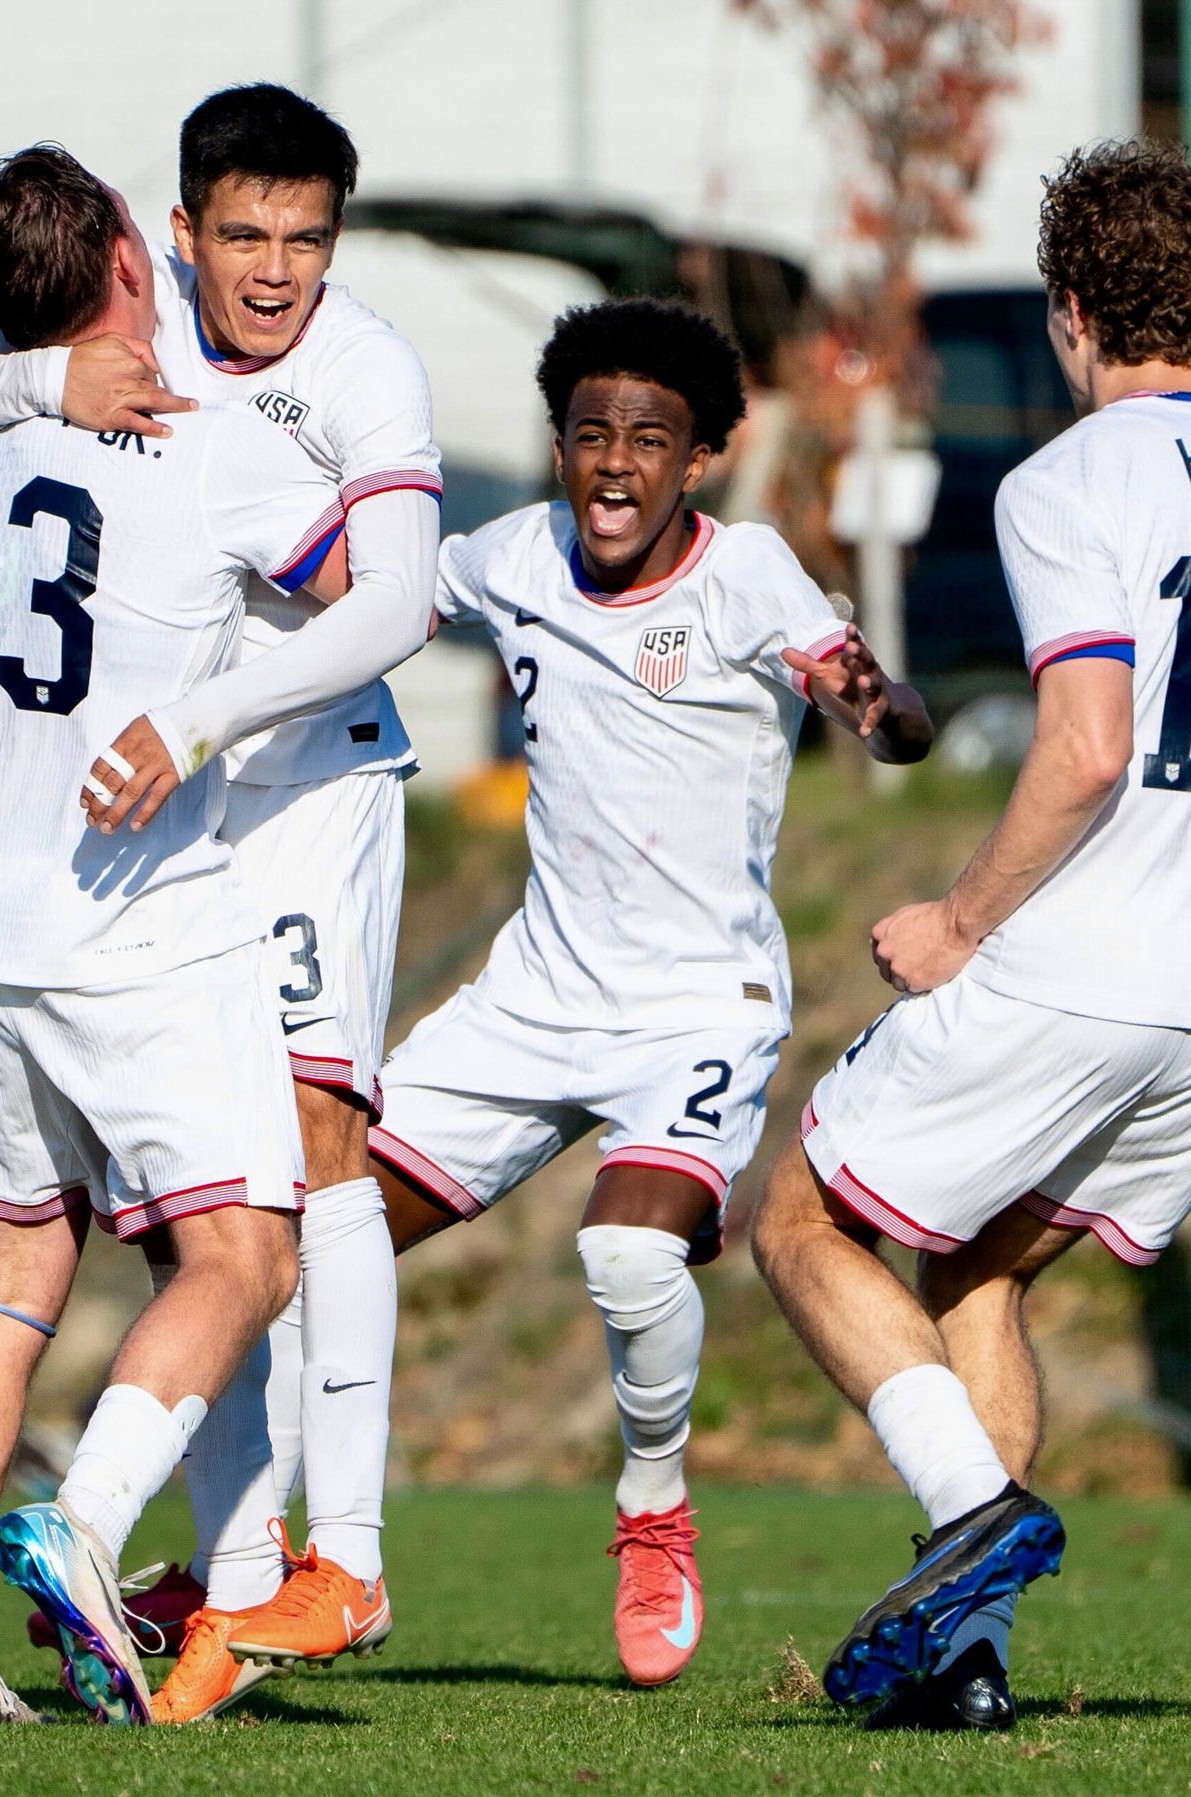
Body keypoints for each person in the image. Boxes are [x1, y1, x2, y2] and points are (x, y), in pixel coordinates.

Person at [752, 139, 1191, 1732]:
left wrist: (956, 918)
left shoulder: (1068, 480)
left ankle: (976, 1519)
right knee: (983, 1275)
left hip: (1086, 963)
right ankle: (964, 1663)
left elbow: (1084, 744)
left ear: (1072, 313)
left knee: (801, 1216)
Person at [0, 84, 439, 1722]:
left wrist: (38, 386)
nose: (258, 268)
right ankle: (89, 1524)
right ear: (146, 253)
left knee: (10, 1274)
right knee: (244, 1254)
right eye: (206, 235)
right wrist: (201, 700)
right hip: (129, 904)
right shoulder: (208, 447)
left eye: (296, 239)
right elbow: (379, 593)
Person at [324, 298, 930, 1688]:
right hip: (532, 999)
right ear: (559, 447)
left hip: (697, 1011)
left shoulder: (749, 574)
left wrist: (875, 703)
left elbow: (848, 680)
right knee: (314, 1235)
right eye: (589, 433)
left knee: (628, 1255)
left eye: (647, 439)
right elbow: (371, 592)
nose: (612, 464)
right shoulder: (512, 557)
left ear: (700, 460)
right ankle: (251, 1569)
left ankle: (653, 1502)